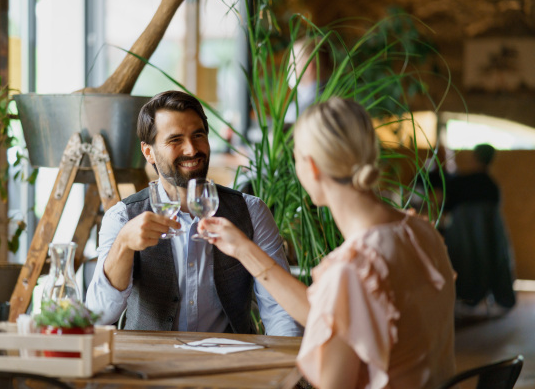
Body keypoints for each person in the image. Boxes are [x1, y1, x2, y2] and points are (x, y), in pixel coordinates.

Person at [199, 97, 456, 388]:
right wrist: (244, 249)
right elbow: (336, 316)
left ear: (311, 166)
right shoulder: (421, 233)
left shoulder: (351, 269)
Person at [85, 90, 302, 337]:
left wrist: (280, 368)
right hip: (148, 366)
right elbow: (98, 315)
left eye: (198, 135)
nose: (191, 149)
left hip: (230, 362)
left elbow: (280, 310)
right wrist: (123, 244)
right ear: (148, 152)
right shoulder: (122, 217)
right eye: (175, 140)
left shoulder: (251, 212)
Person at [444, 144, 516, 313]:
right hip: (487, 248)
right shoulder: (492, 186)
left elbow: (447, 208)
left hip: (462, 244)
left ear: (474, 157)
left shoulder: (459, 182)